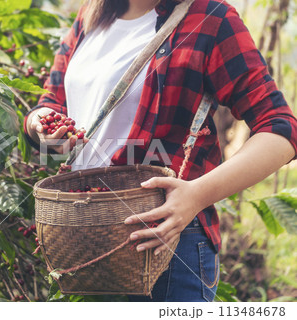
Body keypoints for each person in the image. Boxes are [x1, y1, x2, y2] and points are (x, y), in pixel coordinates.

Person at [23, 0, 297, 301]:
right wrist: (41, 126)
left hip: (166, 241)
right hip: (89, 239)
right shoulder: (91, 14)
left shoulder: (210, 19)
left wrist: (197, 195)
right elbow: (51, 101)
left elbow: (280, 128)